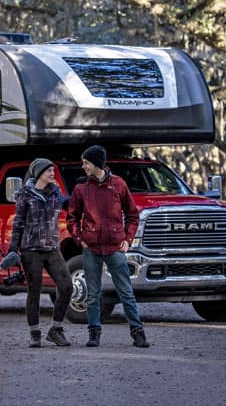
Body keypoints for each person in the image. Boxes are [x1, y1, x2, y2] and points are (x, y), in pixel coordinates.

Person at [66, 145, 150, 348]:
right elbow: (72, 218)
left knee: (126, 292)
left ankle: (138, 332)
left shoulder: (119, 185)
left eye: (86, 162)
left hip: (115, 249)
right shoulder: (81, 189)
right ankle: (94, 333)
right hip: (91, 249)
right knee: (93, 294)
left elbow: (132, 215)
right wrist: (80, 239)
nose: (83, 166)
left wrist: (127, 240)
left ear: (96, 163)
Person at [8, 158, 73, 348]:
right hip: (31, 250)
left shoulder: (56, 193)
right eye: (48, 171)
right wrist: (13, 249)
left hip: (52, 249)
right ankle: (35, 333)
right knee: (34, 290)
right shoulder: (25, 195)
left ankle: (56, 330)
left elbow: (70, 206)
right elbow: (18, 223)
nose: (52, 174)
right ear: (38, 173)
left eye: (53, 171)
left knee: (67, 286)